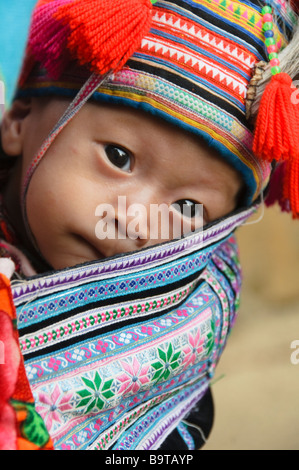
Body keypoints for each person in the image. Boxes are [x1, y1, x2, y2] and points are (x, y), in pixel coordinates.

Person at [0, 0, 298, 451]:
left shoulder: (174, 382)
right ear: (19, 118)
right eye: (118, 157)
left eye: (188, 207)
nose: (135, 221)